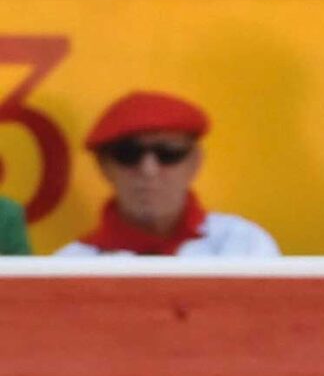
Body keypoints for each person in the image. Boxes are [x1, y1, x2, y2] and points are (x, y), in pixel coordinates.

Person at [53, 93, 279, 259]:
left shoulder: (242, 244)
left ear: (195, 161)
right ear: (103, 166)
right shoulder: (71, 265)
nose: (148, 170)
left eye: (168, 154)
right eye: (128, 154)